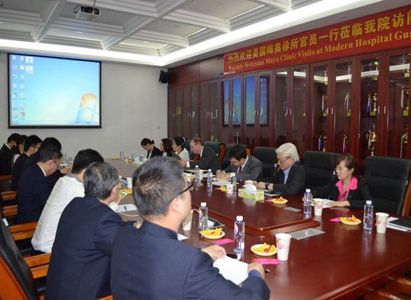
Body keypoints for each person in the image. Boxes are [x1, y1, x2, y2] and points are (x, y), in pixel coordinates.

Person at [111, 157, 270, 299]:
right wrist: (255, 275)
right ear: (176, 204)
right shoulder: (189, 263)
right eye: (188, 189)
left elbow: (161, 262)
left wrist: (200, 254)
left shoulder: (123, 234)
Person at [45, 162, 126, 300]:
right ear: (114, 190)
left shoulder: (75, 204)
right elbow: (127, 250)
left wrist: (134, 226)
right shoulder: (103, 219)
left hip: (59, 289)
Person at [31, 149, 104, 253]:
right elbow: (96, 217)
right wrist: (113, 202)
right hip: (50, 250)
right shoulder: (77, 189)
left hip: (44, 242)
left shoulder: (64, 180)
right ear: (88, 171)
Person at [16, 145, 62, 224]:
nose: (56, 170)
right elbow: (49, 206)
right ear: (50, 163)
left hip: (23, 215)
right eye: (57, 166)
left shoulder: (32, 170)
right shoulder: (40, 180)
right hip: (32, 222)